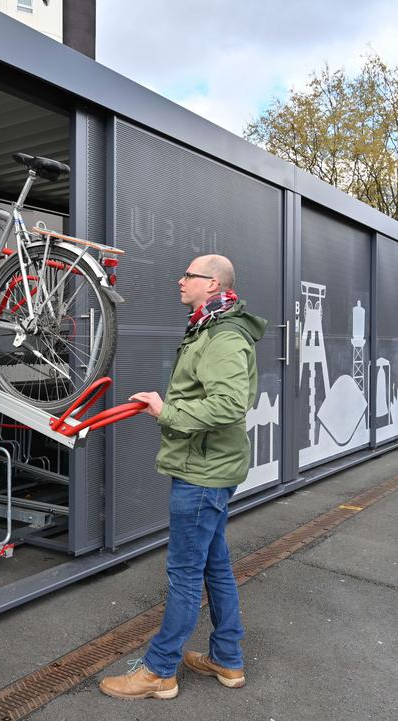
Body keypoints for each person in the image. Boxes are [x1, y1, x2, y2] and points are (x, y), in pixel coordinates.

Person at [99, 254, 266, 700]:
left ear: (212, 284)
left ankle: (159, 670)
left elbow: (229, 405)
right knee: (214, 564)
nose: (180, 280)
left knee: (185, 572)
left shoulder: (223, 336)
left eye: (189, 275)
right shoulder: (208, 328)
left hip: (203, 472)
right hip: (208, 465)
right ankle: (227, 658)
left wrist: (164, 411)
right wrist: (164, 405)